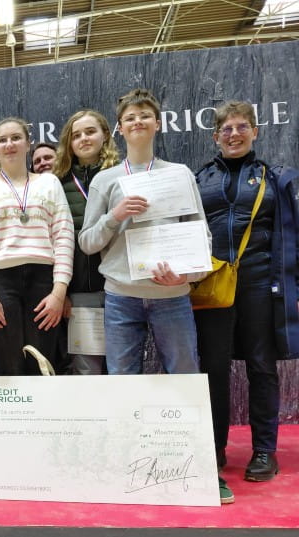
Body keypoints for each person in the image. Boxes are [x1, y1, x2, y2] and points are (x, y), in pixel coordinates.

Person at [194, 100, 299, 483]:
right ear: (215, 136)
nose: (234, 134)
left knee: (261, 366)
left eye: (242, 127)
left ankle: (264, 452)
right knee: (214, 369)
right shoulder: (199, 178)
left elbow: (294, 236)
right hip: (212, 284)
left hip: (259, 283)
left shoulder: (276, 177)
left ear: (256, 131)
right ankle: (215, 448)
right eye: (226, 129)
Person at [78, 89, 209, 376]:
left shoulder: (180, 174)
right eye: (130, 118)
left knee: (185, 376)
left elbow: (202, 237)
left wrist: (188, 275)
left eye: (145, 116)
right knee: (122, 379)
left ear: (158, 123)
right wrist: (115, 216)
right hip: (121, 296)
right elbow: (87, 242)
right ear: (120, 128)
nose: (138, 121)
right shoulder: (106, 180)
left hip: (173, 294)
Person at [0, 117, 74, 375]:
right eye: (2, 140)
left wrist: (59, 292)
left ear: (28, 144)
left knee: (42, 364)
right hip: (0, 281)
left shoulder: (50, 182)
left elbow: (64, 236)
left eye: (16, 138)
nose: (9, 144)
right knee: (9, 365)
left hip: (43, 280)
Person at [52, 110, 120, 374]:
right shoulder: (58, 183)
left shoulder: (122, 176)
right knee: (86, 369)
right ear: (69, 144)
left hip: (121, 289)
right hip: (79, 290)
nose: (83, 139)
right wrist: (63, 292)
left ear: (105, 134)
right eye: (76, 135)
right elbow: (54, 241)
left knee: (121, 365)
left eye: (90, 132)